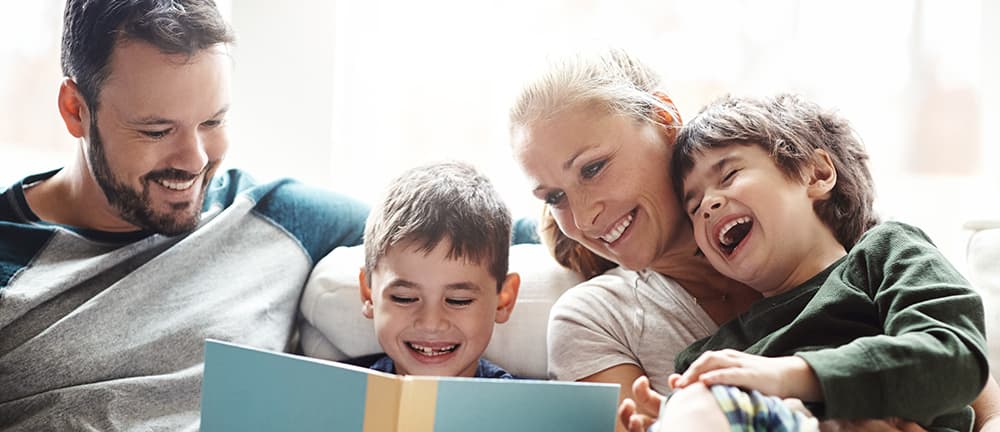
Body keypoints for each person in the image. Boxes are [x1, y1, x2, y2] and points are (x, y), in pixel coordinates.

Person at [508, 48, 1000, 432]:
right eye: (553, 197)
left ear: (662, 119)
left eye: (593, 168)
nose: (585, 214)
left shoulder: (870, 251)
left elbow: (968, 382)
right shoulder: (661, 335)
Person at [0, 1, 368, 430]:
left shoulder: (275, 216)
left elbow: (444, 238)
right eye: (157, 131)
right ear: (75, 110)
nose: (194, 160)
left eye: (213, 122)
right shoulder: (11, 258)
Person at [651, 93, 987, 431]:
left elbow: (956, 359)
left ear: (818, 174)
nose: (708, 204)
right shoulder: (710, 357)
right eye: (693, 207)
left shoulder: (886, 254)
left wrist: (791, 375)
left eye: (729, 174)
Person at [357, 161, 520, 378]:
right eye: (403, 298)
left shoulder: (523, 408)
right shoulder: (334, 394)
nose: (431, 323)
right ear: (368, 294)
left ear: (504, 300)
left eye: (458, 300)